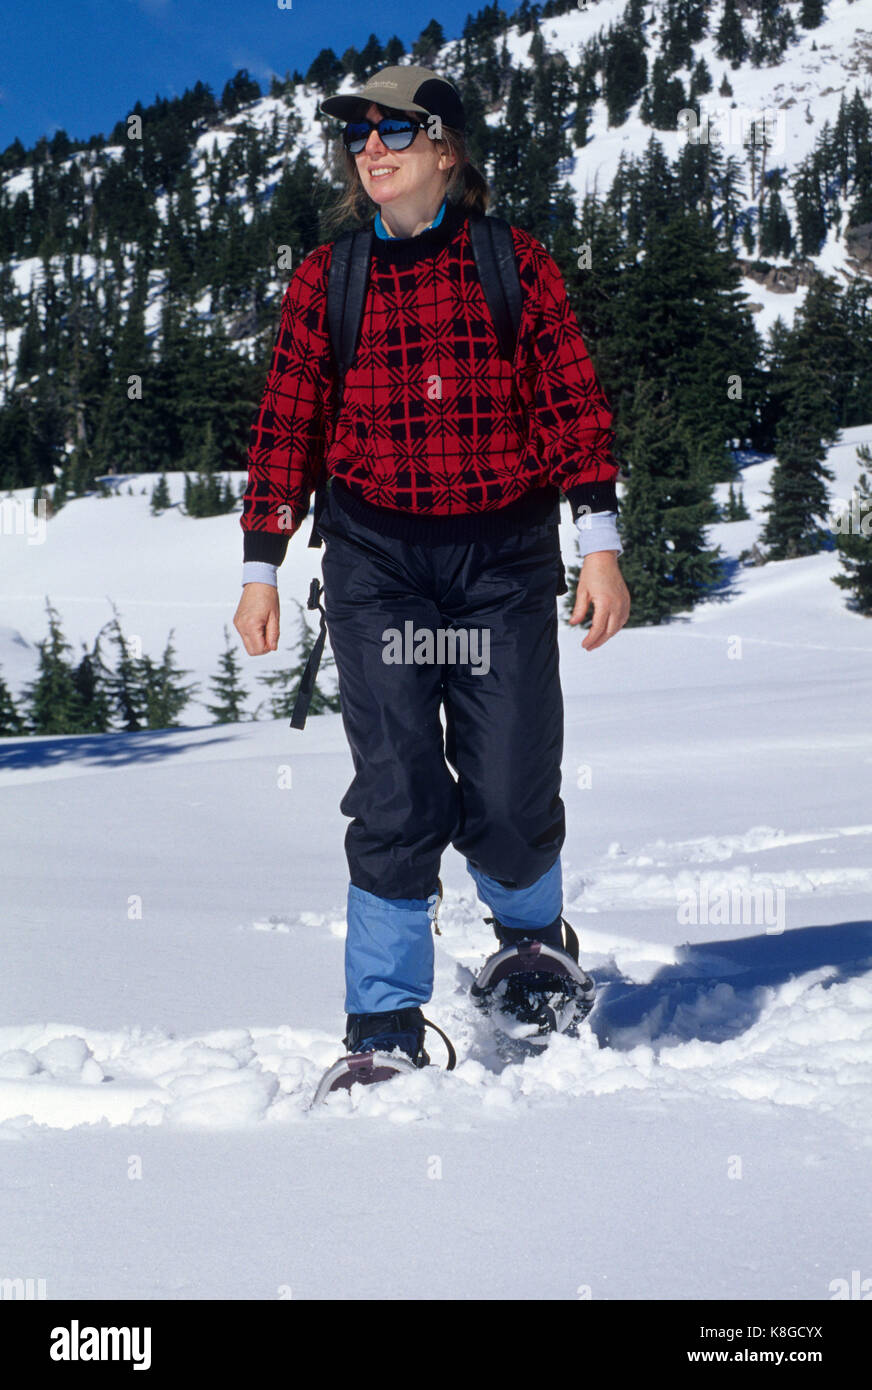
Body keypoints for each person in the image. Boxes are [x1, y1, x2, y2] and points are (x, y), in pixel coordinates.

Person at [233, 65, 630, 1080]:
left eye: (393, 131)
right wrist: (261, 564)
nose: (370, 148)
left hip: (499, 560)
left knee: (506, 780)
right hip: (375, 564)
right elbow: (286, 427)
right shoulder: (329, 278)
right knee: (399, 791)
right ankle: (382, 1025)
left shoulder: (514, 263)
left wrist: (599, 545)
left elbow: (572, 406)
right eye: (357, 133)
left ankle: (530, 945)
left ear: (445, 148)